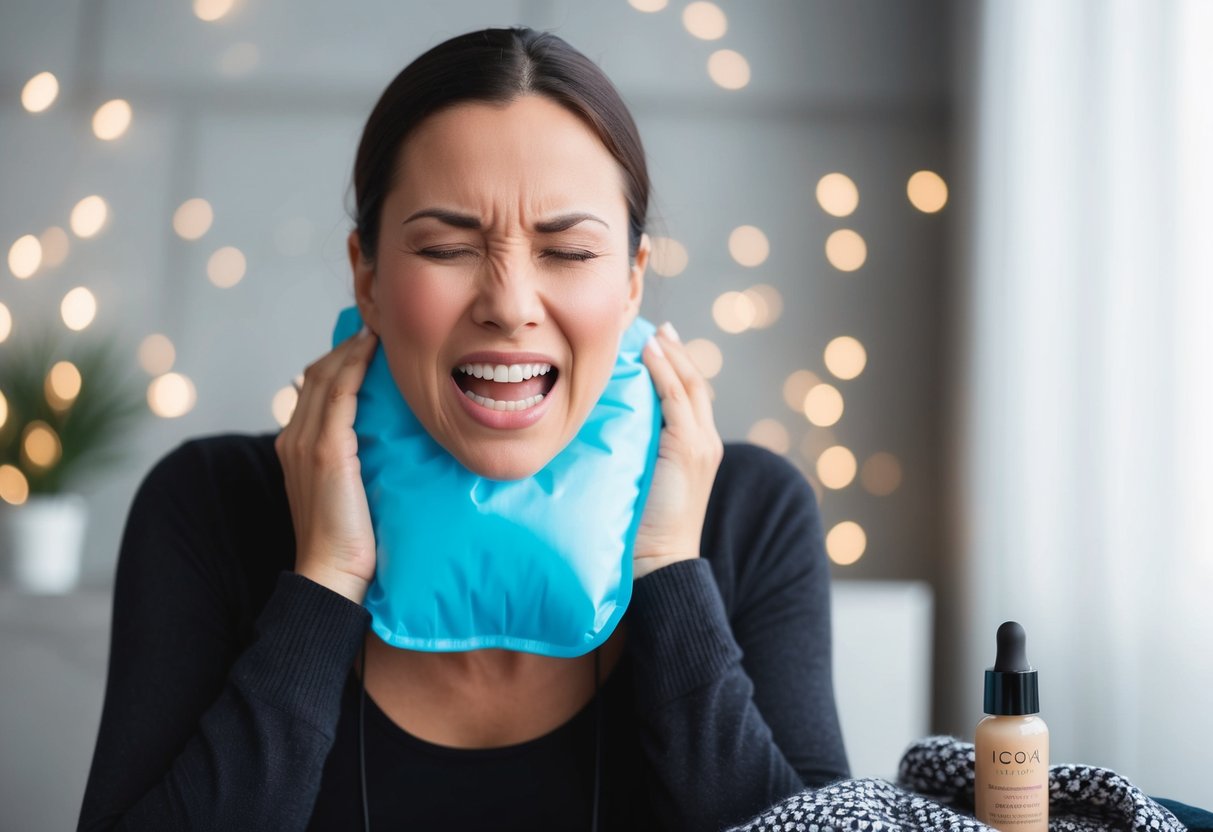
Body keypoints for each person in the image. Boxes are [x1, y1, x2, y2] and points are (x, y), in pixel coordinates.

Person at [77, 25, 849, 832]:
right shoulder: (209, 506)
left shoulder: (753, 516)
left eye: (569, 252)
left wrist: (667, 574)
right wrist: (325, 582)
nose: (509, 304)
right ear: (366, 276)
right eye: (447, 247)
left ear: (631, 285)